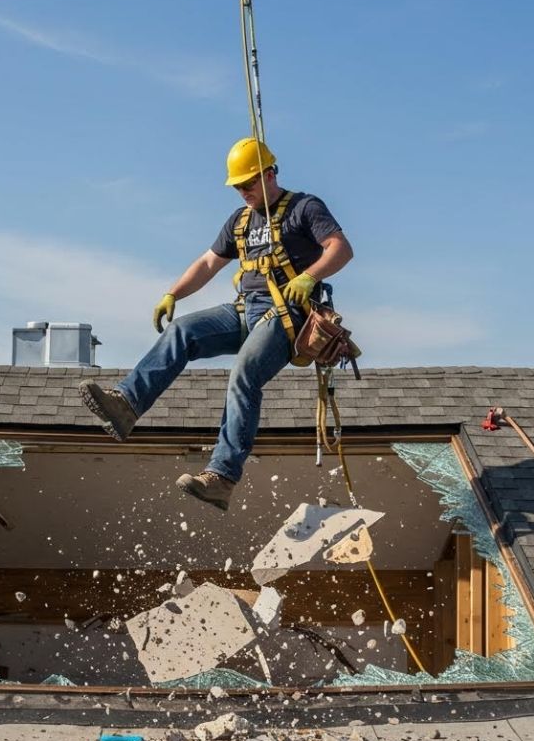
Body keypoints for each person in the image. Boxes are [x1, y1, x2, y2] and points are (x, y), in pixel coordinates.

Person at [79, 137, 353, 511]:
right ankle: (126, 405)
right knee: (183, 331)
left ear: (269, 174)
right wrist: (173, 293)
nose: (243, 192)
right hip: (245, 310)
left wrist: (310, 276)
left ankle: (221, 477)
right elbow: (209, 263)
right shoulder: (240, 221)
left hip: (287, 314)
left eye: (248, 184)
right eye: (237, 186)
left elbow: (340, 248)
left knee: (244, 373)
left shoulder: (304, 208)